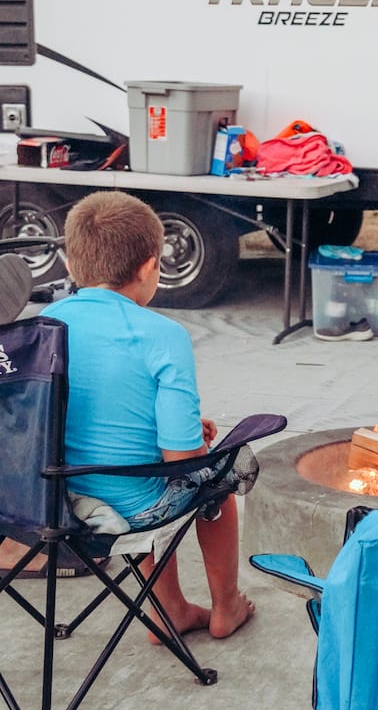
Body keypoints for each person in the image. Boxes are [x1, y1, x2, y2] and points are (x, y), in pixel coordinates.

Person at [10, 191, 253, 636]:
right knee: (216, 477)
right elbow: (182, 459)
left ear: (71, 262)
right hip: (128, 510)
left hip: (44, 501)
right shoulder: (163, 335)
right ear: (148, 266)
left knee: (140, 467)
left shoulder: (44, 326)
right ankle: (227, 606)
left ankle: (170, 609)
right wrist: (193, 441)